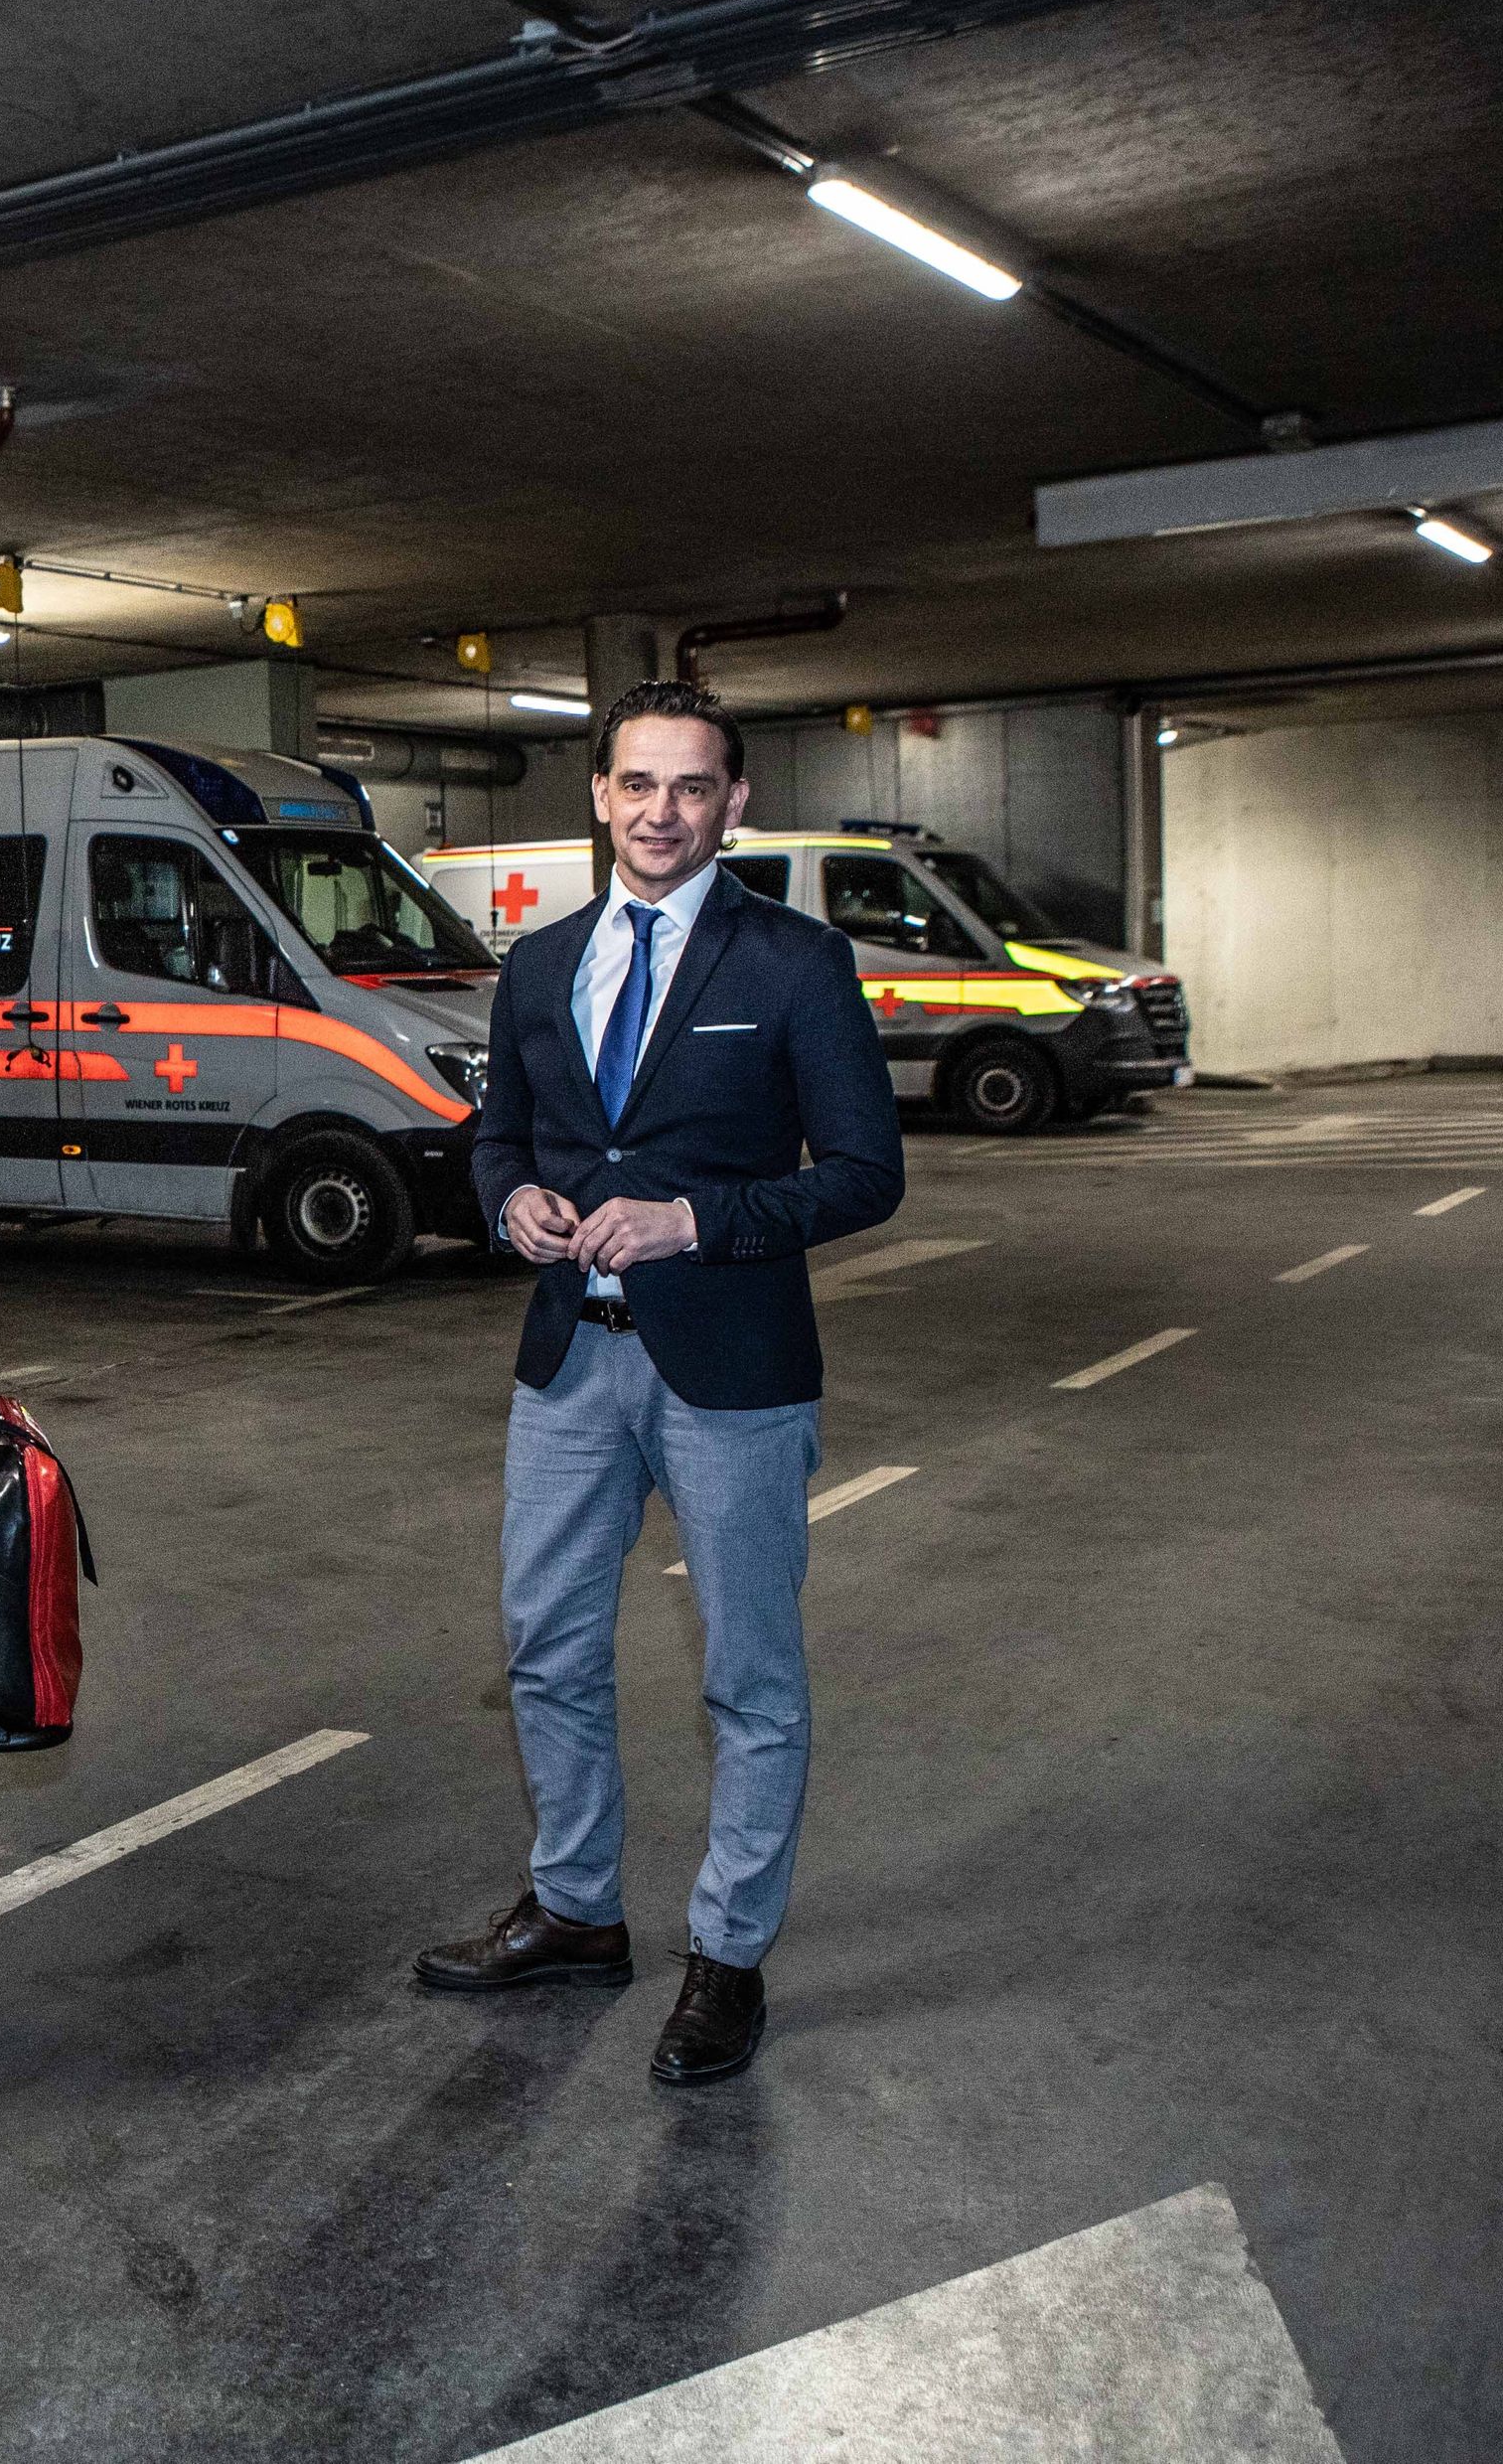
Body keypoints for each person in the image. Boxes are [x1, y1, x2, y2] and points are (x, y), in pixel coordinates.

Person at [415, 681, 903, 2084]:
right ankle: (576, 1911)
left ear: (734, 803)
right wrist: (510, 1202)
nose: (662, 812)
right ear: (600, 794)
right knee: (546, 1649)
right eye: (638, 784)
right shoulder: (540, 963)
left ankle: (728, 1958)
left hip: (734, 1373)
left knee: (751, 1678)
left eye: (692, 787)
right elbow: (501, 1138)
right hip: (570, 1362)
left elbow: (866, 1174)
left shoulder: (795, 961)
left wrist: (698, 1221)